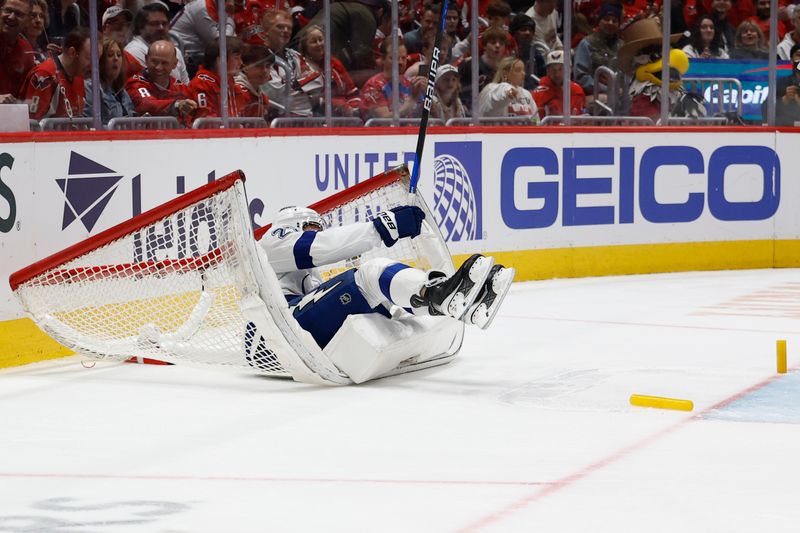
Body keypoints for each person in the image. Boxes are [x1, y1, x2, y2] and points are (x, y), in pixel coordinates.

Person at [261, 205, 515, 350]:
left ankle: (462, 307)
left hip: (292, 331)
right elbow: (321, 246)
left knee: (382, 302)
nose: (317, 233)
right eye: (311, 228)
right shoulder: (271, 243)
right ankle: (441, 296)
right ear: (292, 225)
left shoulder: (300, 270)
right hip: (274, 333)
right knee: (371, 275)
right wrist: (384, 226)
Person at [19, 27, 91, 120]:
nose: (94, 66)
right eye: (90, 58)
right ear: (72, 52)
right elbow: (33, 126)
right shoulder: (44, 75)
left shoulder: (78, 77)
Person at [262, 7, 319, 117]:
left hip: (307, 117)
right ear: (266, 32)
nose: (286, 31)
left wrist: (297, 86)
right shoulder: (260, 57)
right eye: (280, 27)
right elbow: (277, 94)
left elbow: (318, 81)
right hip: (277, 120)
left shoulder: (295, 56)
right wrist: (305, 87)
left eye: (289, 28)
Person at [126, 39, 197, 120]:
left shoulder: (181, 88)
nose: (158, 67)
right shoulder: (135, 83)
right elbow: (147, 104)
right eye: (154, 61)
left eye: (164, 63)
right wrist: (176, 105)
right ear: (146, 59)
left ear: (174, 64)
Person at [298, 24, 361, 116]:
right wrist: (335, 104)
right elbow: (306, 99)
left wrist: (354, 109)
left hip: (344, 114)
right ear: (305, 47)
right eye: (313, 41)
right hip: (316, 114)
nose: (319, 44)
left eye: (321, 39)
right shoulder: (300, 66)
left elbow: (351, 92)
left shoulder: (334, 63)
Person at [125, 3, 190, 84]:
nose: (161, 28)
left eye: (164, 23)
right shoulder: (133, 51)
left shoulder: (175, 51)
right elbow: (157, 84)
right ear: (141, 26)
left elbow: (186, 86)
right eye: (155, 24)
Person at [360, 39, 425, 119]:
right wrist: (411, 101)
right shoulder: (373, 86)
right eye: (394, 58)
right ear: (383, 59)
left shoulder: (411, 83)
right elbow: (384, 119)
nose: (400, 62)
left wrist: (429, 98)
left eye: (403, 58)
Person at [169, 0, 236, 75]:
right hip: (183, 56)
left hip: (198, 54)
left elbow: (231, 38)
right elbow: (221, 43)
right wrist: (230, 17)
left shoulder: (218, 6)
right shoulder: (201, 8)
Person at [186, 36, 244, 121]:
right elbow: (206, 123)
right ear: (220, 61)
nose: (241, 63)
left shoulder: (233, 86)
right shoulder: (202, 84)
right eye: (236, 58)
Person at [84, 37, 135, 125]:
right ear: (100, 60)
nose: (116, 59)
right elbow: (90, 124)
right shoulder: (91, 88)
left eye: (119, 55)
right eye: (110, 55)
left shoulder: (122, 92)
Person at [457, 26, 508, 113]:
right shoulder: (470, 64)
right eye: (493, 42)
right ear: (484, 45)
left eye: (501, 43)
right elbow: (459, 89)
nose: (497, 46)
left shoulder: (506, 68)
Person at [478, 56, 539, 121]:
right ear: (505, 73)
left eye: (523, 70)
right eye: (518, 70)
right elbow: (497, 94)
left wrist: (534, 124)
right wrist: (508, 91)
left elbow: (535, 119)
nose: (523, 73)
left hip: (523, 131)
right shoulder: (491, 88)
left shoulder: (526, 94)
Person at [533, 49, 587, 120]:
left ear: (569, 69)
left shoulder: (577, 90)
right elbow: (534, 121)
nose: (557, 74)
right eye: (553, 70)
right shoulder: (538, 94)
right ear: (547, 71)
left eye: (561, 69)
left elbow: (583, 114)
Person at [1, 0, 35, 104]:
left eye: (18, 14)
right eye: (8, 10)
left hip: (11, 116)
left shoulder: (27, 49)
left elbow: (26, 97)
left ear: (28, 20)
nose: (11, 17)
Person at [766, 43, 800, 126]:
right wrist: (784, 100)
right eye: (799, 55)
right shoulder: (781, 83)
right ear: (791, 60)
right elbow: (765, 110)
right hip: (785, 131)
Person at [234, 43, 271, 119]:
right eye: (259, 66)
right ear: (245, 68)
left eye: (268, 66)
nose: (265, 71)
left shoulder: (262, 97)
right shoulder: (237, 92)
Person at [509, 13, 545, 90]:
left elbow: (543, 76)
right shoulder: (507, 51)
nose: (527, 33)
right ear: (514, 32)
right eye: (523, 29)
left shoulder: (536, 53)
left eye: (531, 30)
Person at [21, 0, 48, 64]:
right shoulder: (17, 50)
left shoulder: (44, 51)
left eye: (41, 16)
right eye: (32, 15)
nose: (38, 20)